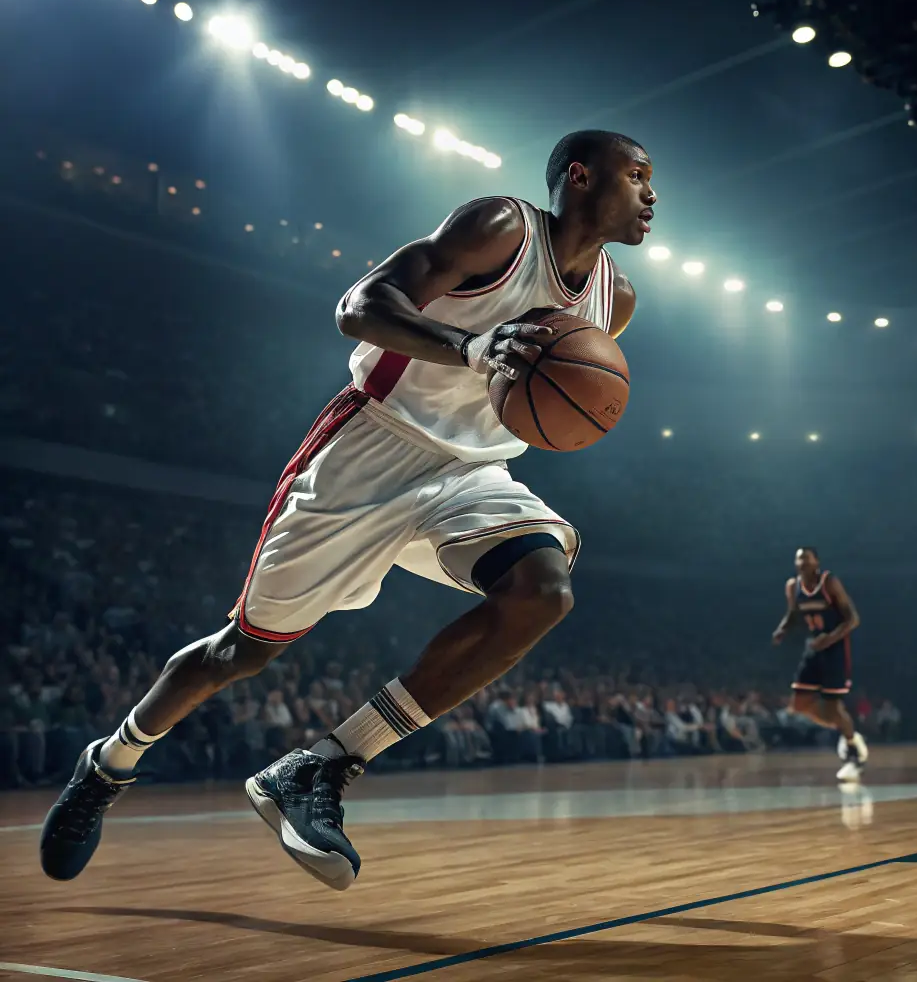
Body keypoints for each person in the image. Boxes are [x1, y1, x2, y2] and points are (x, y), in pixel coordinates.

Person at [40, 130, 656, 891]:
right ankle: (109, 763)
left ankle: (322, 764)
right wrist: (469, 346)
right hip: (371, 445)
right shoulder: (501, 226)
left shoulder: (614, 299)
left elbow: (556, 393)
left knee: (543, 590)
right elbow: (359, 306)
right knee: (242, 652)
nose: (651, 195)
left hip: (470, 472)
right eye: (636, 176)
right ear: (579, 177)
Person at [772, 547, 867, 782]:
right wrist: (783, 629)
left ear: (817, 563)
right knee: (799, 704)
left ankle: (854, 751)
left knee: (834, 707)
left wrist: (830, 639)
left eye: (807, 559)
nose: (802, 563)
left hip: (835, 648)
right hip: (813, 647)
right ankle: (848, 733)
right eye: (798, 559)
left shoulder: (829, 582)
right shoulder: (792, 586)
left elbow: (853, 618)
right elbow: (793, 613)